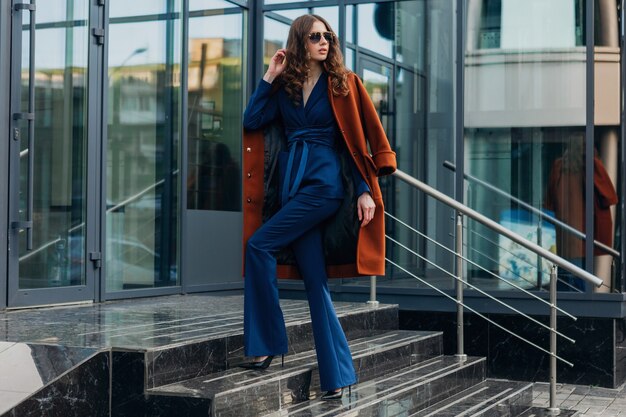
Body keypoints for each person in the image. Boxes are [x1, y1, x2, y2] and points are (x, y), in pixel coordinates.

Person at [239, 14, 396, 400]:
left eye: (328, 36)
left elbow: (355, 143)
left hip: (324, 187)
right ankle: (338, 373)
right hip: (294, 186)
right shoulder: (287, 87)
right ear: (299, 43)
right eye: (315, 37)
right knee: (315, 283)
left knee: (259, 246)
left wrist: (364, 190)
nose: (323, 42)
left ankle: (266, 344)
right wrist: (269, 75)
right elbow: (252, 119)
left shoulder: (343, 84)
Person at [544, 139, 618, 291]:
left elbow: (550, 200)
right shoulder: (592, 165)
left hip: (566, 230)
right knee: (582, 274)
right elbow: (609, 196)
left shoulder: (559, 166)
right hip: (587, 230)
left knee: (567, 270)